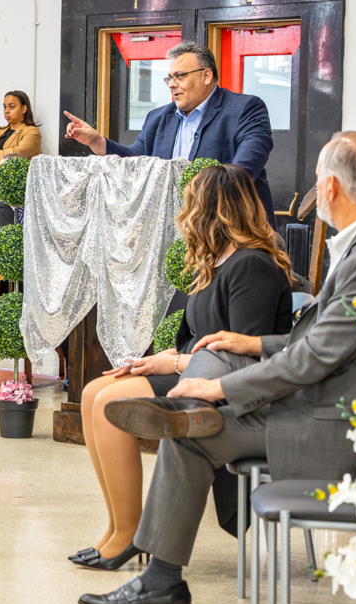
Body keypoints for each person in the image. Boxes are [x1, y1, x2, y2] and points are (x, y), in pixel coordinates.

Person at [77, 132, 356, 604]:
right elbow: (327, 344)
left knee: (190, 431)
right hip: (335, 405)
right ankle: (188, 412)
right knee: (218, 357)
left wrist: (219, 387)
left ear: (329, 188)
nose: (313, 191)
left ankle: (163, 572)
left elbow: (313, 360)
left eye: (315, 182)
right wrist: (255, 344)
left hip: (337, 427)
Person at [72, 164, 294, 571]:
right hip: (196, 371)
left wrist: (170, 361)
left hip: (229, 393)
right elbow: (197, 339)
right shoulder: (217, 261)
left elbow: (243, 356)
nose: (184, 211)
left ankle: (130, 534)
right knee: (92, 394)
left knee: (108, 406)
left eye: (192, 202)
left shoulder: (252, 266)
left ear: (212, 209)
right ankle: (116, 527)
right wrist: (155, 362)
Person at [64, 41, 277, 225]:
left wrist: (203, 198)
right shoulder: (157, 118)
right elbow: (136, 161)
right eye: (169, 78)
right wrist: (99, 142)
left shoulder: (245, 108)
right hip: (174, 232)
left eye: (180, 76)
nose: (172, 85)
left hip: (234, 232)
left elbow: (246, 165)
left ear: (206, 76)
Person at [0, 91, 42, 209]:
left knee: (7, 226)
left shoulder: (32, 132)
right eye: (5, 107)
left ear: (24, 108)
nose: (6, 110)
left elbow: (15, 156)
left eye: (11, 107)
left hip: (11, 191)